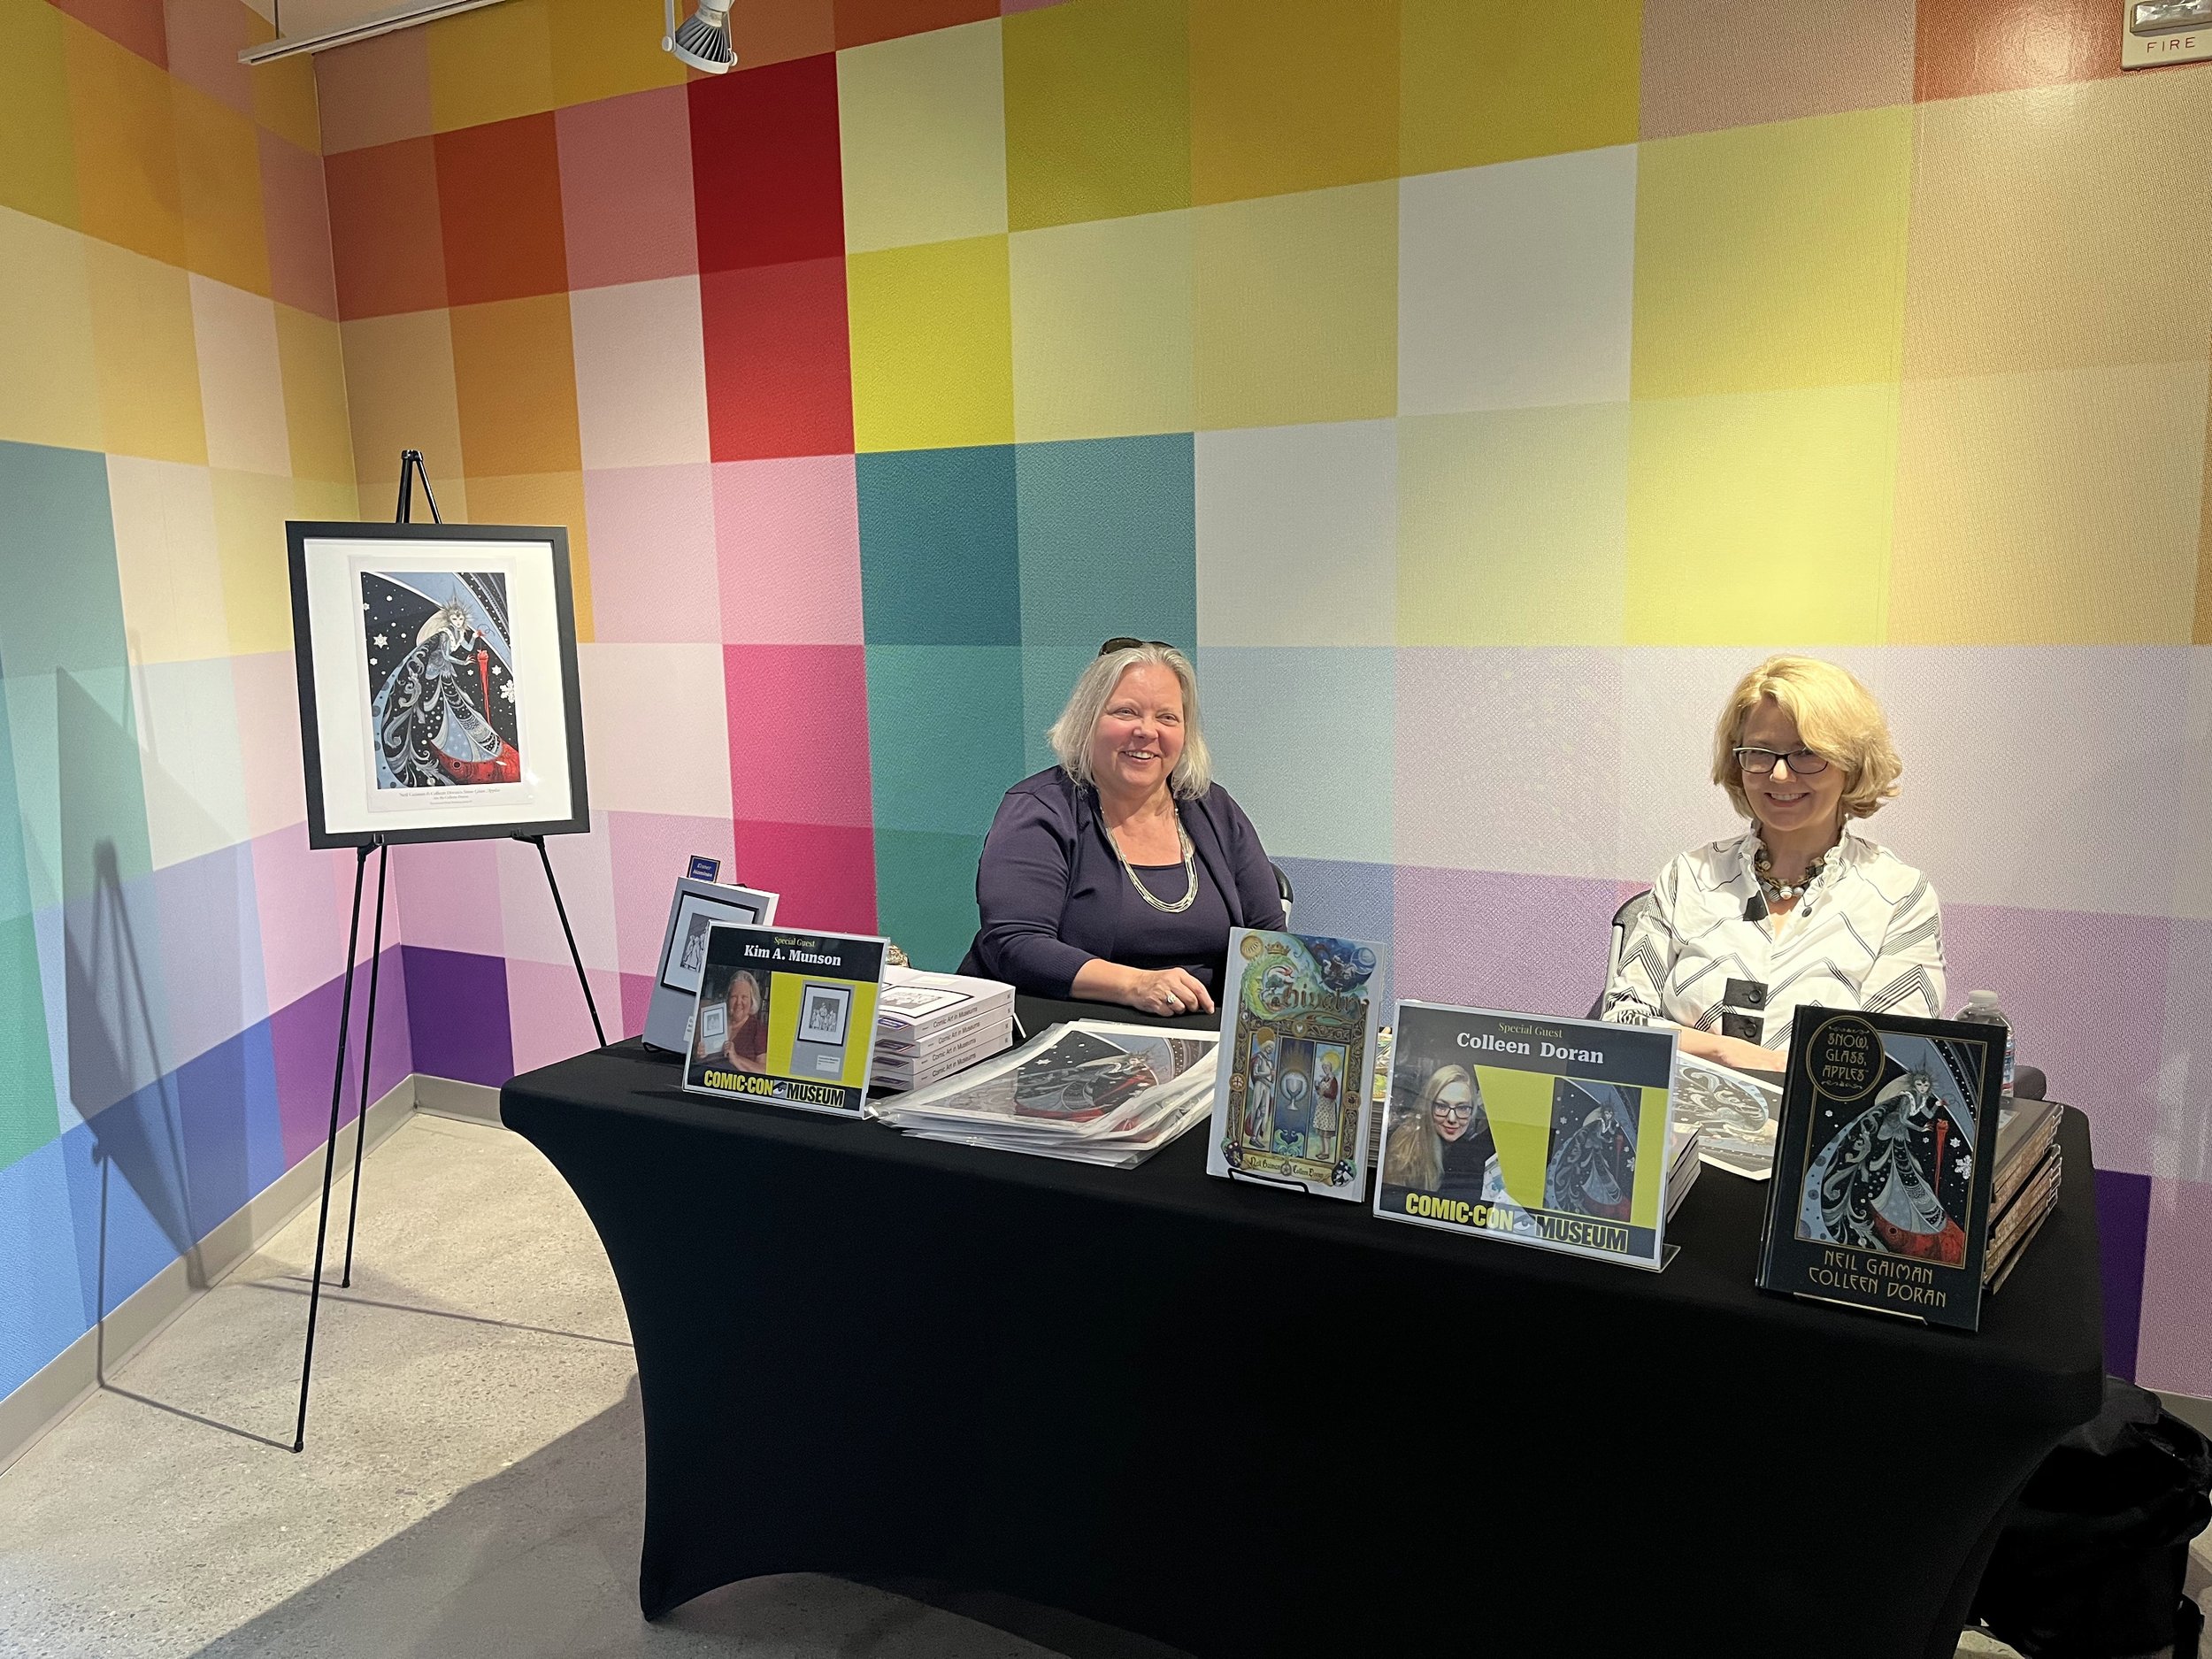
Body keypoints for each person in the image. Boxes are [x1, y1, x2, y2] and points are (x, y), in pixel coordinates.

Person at [1601, 655, 1945, 1070]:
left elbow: (1893, 1061)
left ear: (1850, 764)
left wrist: (1739, 1060)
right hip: (1680, 1127)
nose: (1780, 776)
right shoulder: (1688, 877)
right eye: (1760, 753)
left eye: (1806, 754)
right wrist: (1726, 1051)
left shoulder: (1898, 895)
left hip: (1816, 1131)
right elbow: (1622, 1024)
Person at [960, 639, 1287, 1018]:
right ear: (1087, 721)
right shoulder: (1039, 809)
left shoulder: (1214, 808)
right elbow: (1015, 943)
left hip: (1201, 1032)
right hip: (1061, 1030)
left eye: (1167, 717)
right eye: (1126, 712)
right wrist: (1136, 984)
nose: (1147, 731)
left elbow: (1269, 942)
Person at [1380, 1064, 1497, 1202]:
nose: (1452, 1119)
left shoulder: (1470, 1149)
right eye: (1442, 1106)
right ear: (1429, 1106)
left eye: (1462, 1108)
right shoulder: (1406, 1151)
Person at [698, 969, 769, 1072]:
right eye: (734, 997)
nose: (738, 1002)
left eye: (744, 997)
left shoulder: (758, 1030)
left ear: (752, 1001)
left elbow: (764, 1070)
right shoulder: (717, 1021)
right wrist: (700, 1054)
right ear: (728, 999)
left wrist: (736, 1059)